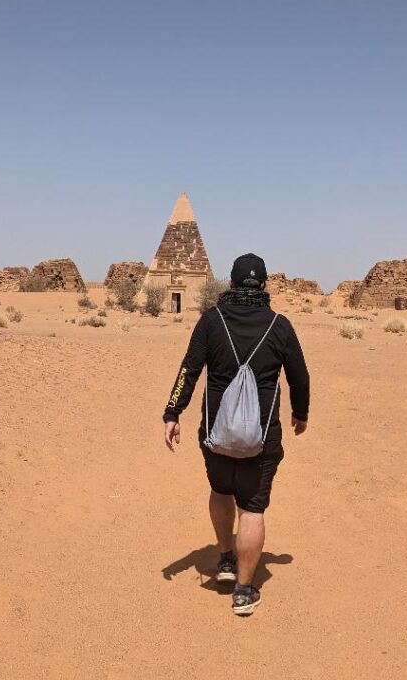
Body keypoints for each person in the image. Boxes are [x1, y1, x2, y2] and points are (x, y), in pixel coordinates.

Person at [163, 253, 310, 616]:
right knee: (252, 508)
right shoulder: (280, 325)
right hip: (262, 438)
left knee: (220, 490)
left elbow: (189, 369)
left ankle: (226, 557)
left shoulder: (211, 321)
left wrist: (172, 412)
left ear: (230, 284)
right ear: (263, 286)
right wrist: (301, 414)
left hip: (215, 433)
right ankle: (244, 591)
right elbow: (300, 377)